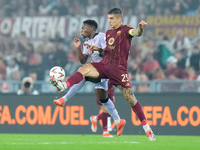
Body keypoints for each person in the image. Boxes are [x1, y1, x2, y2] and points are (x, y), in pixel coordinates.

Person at [51, 8, 155, 141]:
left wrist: (141, 28)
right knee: (84, 69)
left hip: (119, 69)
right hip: (104, 65)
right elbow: (106, 52)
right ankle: (63, 86)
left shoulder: (125, 29)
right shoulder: (109, 33)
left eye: (111, 18)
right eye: (108, 19)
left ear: (119, 19)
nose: (109, 21)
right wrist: (96, 50)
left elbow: (137, 33)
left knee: (131, 99)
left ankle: (147, 129)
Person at [51, 19, 115, 137]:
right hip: (98, 73)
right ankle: (107, 129)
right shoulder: (87, 42)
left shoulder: (101, 36)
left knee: (107, 103)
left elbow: (109, 53)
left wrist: (96, 50)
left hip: (107, 71)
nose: (81, 30)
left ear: (91, 28)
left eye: (83, 27)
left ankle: (102, 122)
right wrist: (78, 48)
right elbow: (82, 60)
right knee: (103, 101)